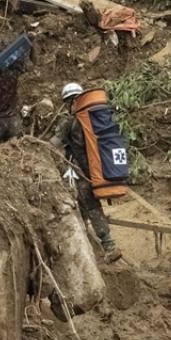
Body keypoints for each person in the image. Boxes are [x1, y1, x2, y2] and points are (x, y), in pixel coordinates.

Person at [49, 82, 122, 263]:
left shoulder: (70, 121)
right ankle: (87, 243)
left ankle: (109, 246)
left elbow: (53, 144)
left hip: (82, 173)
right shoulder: (97, 119)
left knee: (91, 205)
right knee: (82, 204)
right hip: (100, 169)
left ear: (69, 102)